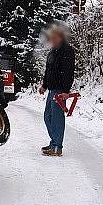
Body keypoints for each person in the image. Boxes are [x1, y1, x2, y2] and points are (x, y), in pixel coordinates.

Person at [39, 24, 75, 157]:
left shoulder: (67, 51)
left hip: (60, 90)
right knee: (47, 116)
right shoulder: (53, 51)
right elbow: (48, 71)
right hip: (52, 90)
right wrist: (44, 85)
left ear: (60, 37)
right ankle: (54, 142)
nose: (52, 40)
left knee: (57, 119)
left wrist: (66, 90)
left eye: (54, 37)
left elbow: (68, 72)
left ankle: (57, 147)